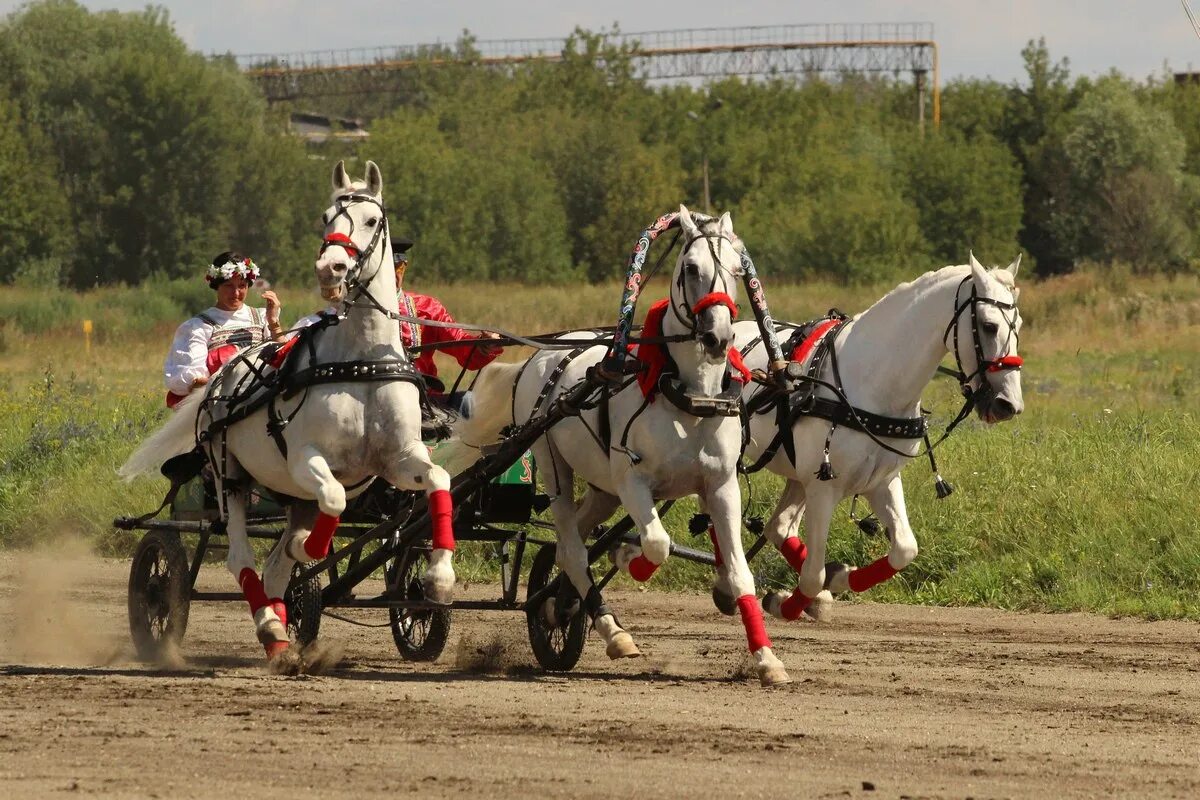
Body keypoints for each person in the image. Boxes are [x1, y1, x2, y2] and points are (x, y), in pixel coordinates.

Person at [163, 251, 285, 408]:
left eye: (242, 286)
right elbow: (193, 381)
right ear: (216, 285)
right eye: (228, 286)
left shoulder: (262, 318)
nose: (236, 293)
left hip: (262, 401)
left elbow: (284, 358)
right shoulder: (199, 326)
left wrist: (274, 322)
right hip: (220, 406)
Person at [392, 239, 502, 399]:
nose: (394, 275)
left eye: (399, 267)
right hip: (363, 401)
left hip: (422, 400)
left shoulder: (426, 307)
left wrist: (484, 344)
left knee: (475, 403)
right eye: (387, 269)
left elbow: (459, 344)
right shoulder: (350, 310)